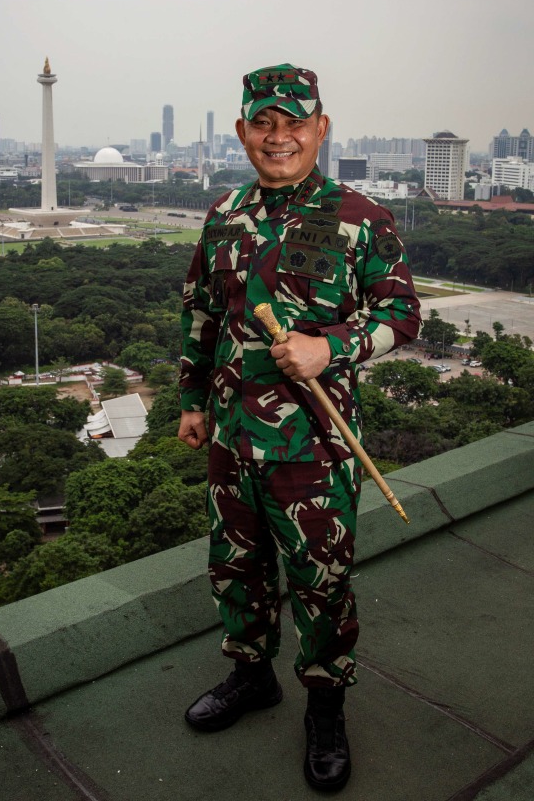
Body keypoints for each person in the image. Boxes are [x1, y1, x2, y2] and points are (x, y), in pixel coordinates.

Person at [178, 63, 421, 792]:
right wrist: (192, 400)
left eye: (293, 123)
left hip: (312, 445)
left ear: (320, 127)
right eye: (264, 123)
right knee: (235, 569)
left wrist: (331, 345)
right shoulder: (223, 214)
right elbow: (200, 316)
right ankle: (251, 676)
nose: (278, 137)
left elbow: (402, 315)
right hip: (230, 436)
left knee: (321, 580)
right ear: (243, 130)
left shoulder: (359, 216)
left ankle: (325, 704)